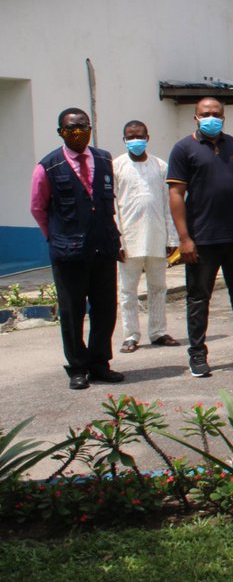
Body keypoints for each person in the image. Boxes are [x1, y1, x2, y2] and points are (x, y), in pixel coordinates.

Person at [167, 97, 233, 378]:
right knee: (198, 298)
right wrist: (184, 239)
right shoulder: (183, 149)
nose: (211, 118)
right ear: (195, 117)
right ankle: (197, 353)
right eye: (206, 114)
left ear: (224, 117)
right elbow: (176, 195)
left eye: (217, 114)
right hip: (201, 239)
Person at [30, 108, 124, 390]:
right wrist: (57, 237)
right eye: (71, 127)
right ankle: (78, 367)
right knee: (72, 312)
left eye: (83, 125)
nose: (78, 131)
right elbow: (38, 208)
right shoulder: (48, 166)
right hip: (68, 252)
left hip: (103, 247)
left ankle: (99, 362)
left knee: (106, 308)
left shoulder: (105, 159)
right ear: (60, 131)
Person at [113, 119, 179, 353]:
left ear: (147, 138)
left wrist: (172, 238)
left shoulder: (160, 166)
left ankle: (158, 332)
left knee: (158, 287)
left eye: (139, 136)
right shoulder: (116, 166)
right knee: (127, 291)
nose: (135, 141)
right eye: (130, 137)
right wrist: (117, 239)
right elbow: (114, 207)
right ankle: (130, 335)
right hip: (128, 239)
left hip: (156, 236)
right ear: (124, 140)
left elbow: (167, 204)